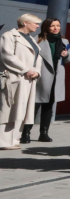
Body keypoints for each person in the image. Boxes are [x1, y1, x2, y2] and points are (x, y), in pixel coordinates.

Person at [0, 14, 41, 150]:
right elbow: (7, 56)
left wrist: (36, 72)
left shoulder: (32, 40)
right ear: (25, 23)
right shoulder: (9, 36)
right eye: (35, 23)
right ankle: (3, 141)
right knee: (9, 109)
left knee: (22, 110)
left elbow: (37, 58)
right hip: (14, 78)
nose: (37, 26)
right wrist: (26, 70)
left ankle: (14, 139)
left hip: (28, 80)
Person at [26, 18, 70, 143]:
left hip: (56, 77)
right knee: (33, 106)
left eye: (58, 25)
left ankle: (44, 133)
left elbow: (68, 60)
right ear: (46, 27)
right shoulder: (37, 40)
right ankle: (26, 132)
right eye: (52, 26)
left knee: (48, 106)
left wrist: (66, 55)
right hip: (41, 77)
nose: (56, 28)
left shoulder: (64, 41)